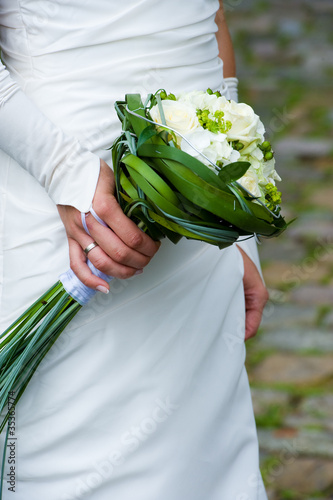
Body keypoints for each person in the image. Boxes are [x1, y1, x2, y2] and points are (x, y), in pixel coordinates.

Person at [0, 1, 268, 498]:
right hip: (68, 206)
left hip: (197, 219)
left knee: (197, 461)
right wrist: (63, 170)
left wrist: (237, 221)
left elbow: (214, 19)